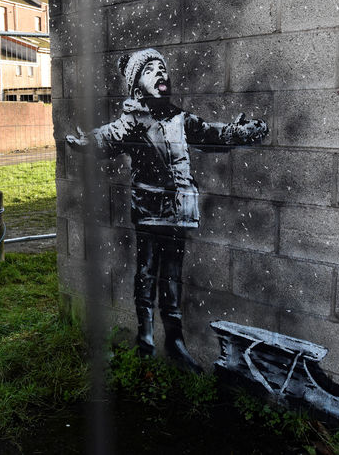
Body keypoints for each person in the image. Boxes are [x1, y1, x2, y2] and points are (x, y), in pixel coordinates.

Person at [66, 48, 268, 372]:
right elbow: (111, 135)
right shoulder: (134, 120)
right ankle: (146, 340)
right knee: (146, 273)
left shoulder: (180, 118)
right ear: (135, 89)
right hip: (148, 211)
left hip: (178, 212)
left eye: (162, 68)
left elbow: (210, 134)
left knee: (171, 276)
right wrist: (88, 142)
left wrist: (238, 133)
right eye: (150, 70)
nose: (160, 73)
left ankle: (174, 342)